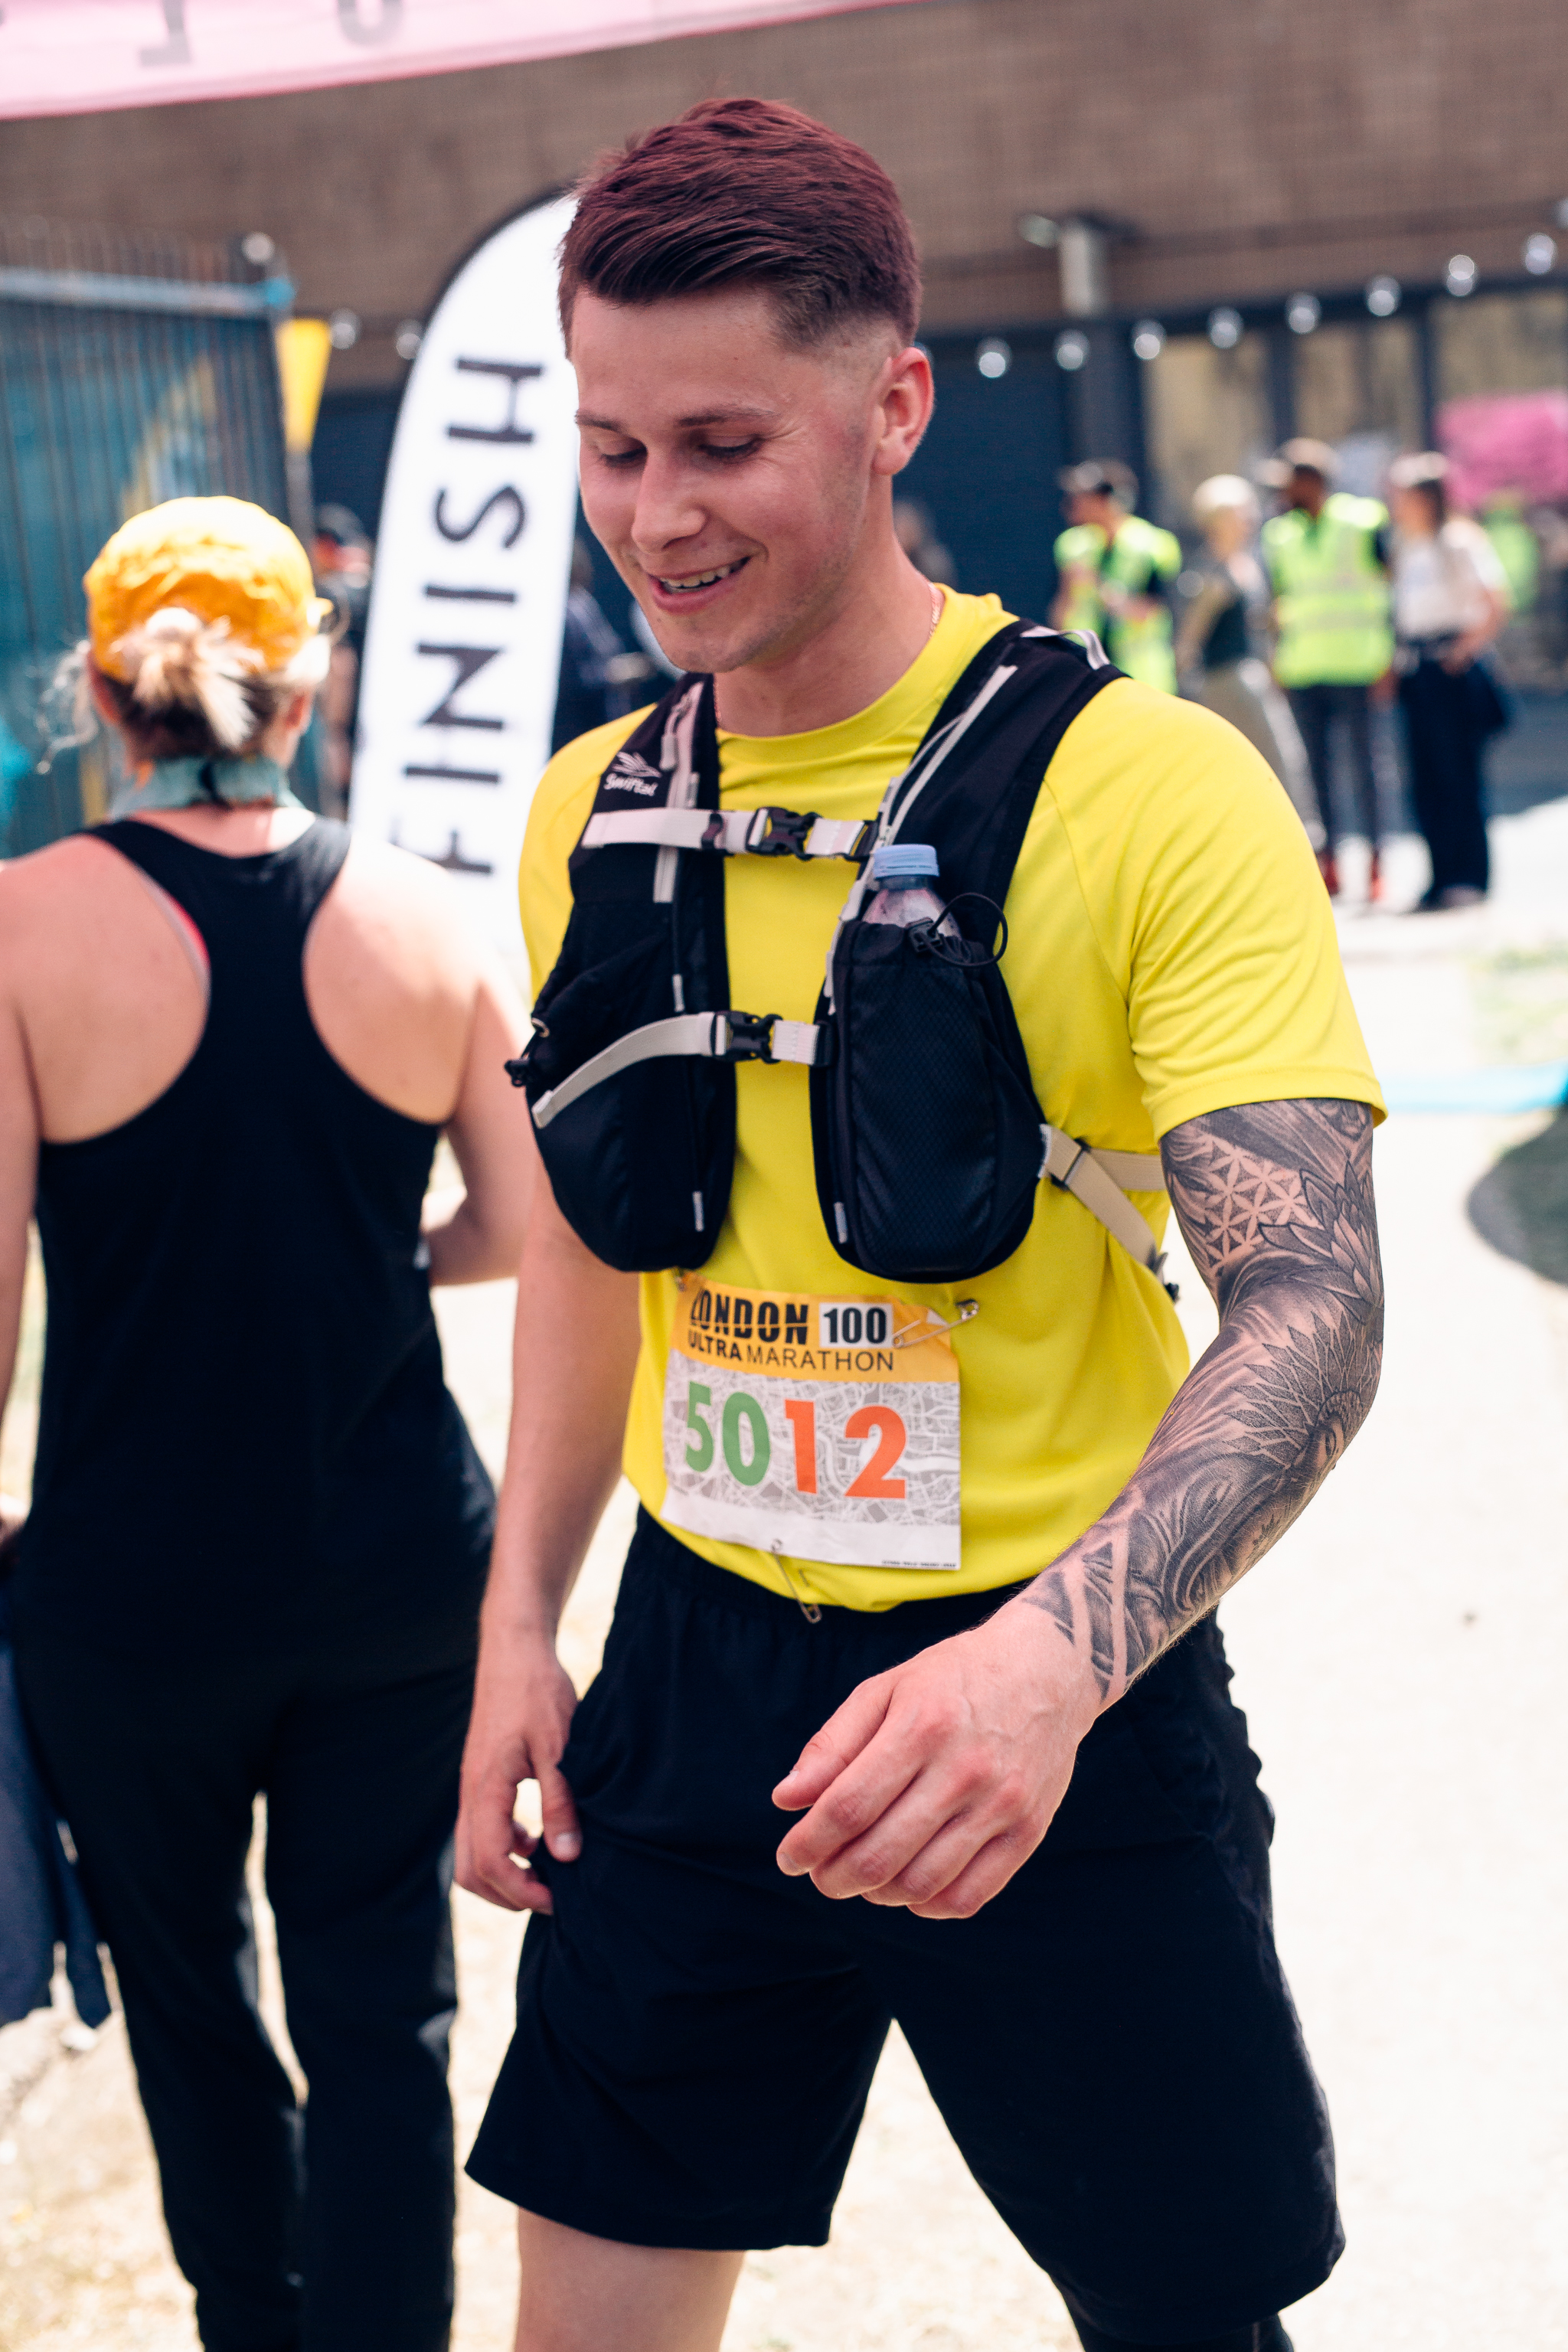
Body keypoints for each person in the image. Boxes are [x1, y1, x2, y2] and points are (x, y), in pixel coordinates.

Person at [457, 99, 1386, 2352]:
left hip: (1056, 1670)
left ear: (890, 406)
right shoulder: (595, 807)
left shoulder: (1145, 788)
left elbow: (1311, 1301)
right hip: (695, 1668)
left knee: (1182, 2315)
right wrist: (517, 1620)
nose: (654, 516)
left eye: (721, 444)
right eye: (609, 447)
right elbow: (594, 1245)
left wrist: (1047, 1667)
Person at [0, 495, 534, 2352]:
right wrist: (357, 1260)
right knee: (385, 2004)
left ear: (102, 695)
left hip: (128, 1582)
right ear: (307, 688)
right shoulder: (428, 915)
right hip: (395, 1565)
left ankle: (257, 2321)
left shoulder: (20, 926)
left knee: (187, 1990)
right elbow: (522, 1227)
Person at [1260, 439, 1393, 899]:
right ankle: (1329, 861)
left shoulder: (1363, 522)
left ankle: (1375, 861)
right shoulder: (1280, 534)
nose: (1282, 493)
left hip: (1357, 664)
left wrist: (1388, 657)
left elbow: (1389, 588)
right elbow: (1280, 601)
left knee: (1366, 769)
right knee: (1317, 772)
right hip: (1304, 667)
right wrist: (1277, 660)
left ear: (1312, 482)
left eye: (1289, 483)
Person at [1387, 451, 1511, 910]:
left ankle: (1469, 877)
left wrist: (1462, 650)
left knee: (1459, 777)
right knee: (1425, 780)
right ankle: (1440, 876)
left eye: (1404, 495)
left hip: (1451, 670)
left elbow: (1495, 601)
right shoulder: (1404, 546)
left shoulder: (1459, 541)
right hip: (1416, 670)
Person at [1174, 473, 1319, 845]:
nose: (1250, 520)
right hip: (1226, 681)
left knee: (1283, 760)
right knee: (1262, 763)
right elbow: (1190, 638)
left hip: (1253, 677)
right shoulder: (1211, 572)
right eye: (1241, 513)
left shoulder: (1248, 564)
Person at [1051, 458, 1181, 692]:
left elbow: (1156, 609)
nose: (1073, 504)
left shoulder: (1152, 545)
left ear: (1108, 501)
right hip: (1086, 672)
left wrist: (1102, 590)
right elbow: (1062, 606)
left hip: (1141, 676)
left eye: (1084, 498)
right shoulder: (1072, 546)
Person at [551, 535, 655, 752]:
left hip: (610, 726)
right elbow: (568, 677)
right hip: (581, 732)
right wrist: (614, 674)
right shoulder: (566, 611)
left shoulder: (583, 602)